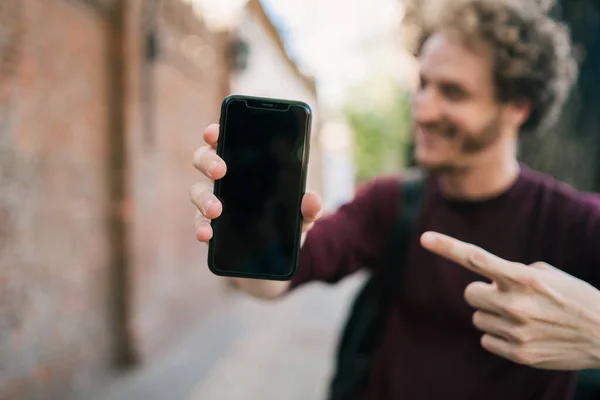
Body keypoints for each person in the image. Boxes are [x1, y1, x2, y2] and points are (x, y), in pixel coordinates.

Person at [190, 0, 600, 398]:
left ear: (517, 107)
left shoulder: (577, 224)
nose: (422, 109)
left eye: (452, 92)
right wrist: (246, 234)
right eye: (423, 85)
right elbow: (278, 281)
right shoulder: (390, 202)